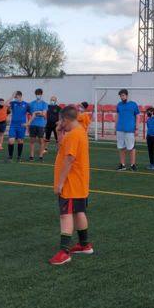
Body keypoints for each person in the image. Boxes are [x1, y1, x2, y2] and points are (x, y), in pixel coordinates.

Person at [49, 105, 92, 266]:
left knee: (65, 215)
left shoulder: (74, 135)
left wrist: (60, 183)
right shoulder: (79, 130)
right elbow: (63, 146)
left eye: (61, 120)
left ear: (66, 119)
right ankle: (84, 244)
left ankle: (64, 252)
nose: (60, 123)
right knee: (78, 212)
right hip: (80, 182)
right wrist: (60, 131)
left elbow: (69, 159)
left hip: (71, 183)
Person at [115, 89, 141, 171]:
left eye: (123, 95)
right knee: (121, 147)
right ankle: (122, 165)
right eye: (120, 96)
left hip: (130, 130)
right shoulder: (119, 105)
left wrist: (137, 128)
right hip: (120, 130)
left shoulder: (133, 104)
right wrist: (115, 127)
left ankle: (133, 164)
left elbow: (138, 117)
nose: (122, 97)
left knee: (131, 148)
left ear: (126, 95)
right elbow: (117, 116)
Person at [26, 88, 49, 161]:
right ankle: (31, 155)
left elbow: (44, 115)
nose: (38, 95)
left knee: (41, 141)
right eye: (37, 94)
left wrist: (38, 113)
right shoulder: (31, 104)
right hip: (33, 124)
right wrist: (39, 112)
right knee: (32, 140)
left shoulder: (44, 104)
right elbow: (32, 114)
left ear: (41, 94)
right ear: (35, 95)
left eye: (39, 94)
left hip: (41, 125)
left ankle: (41, 156)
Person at [7, 91, 30, 162]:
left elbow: (31, 114)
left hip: (21, 125)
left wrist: (28, 123)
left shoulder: (26, 104)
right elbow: (5, 104)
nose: (15, 98)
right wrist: (11, 96)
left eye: (16, 97)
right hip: (13, 125)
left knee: (20, 141)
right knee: (11, 140)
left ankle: (19, 156)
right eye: (15, 97)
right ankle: (10, 157)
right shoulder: (13, 103)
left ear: (20, 96)